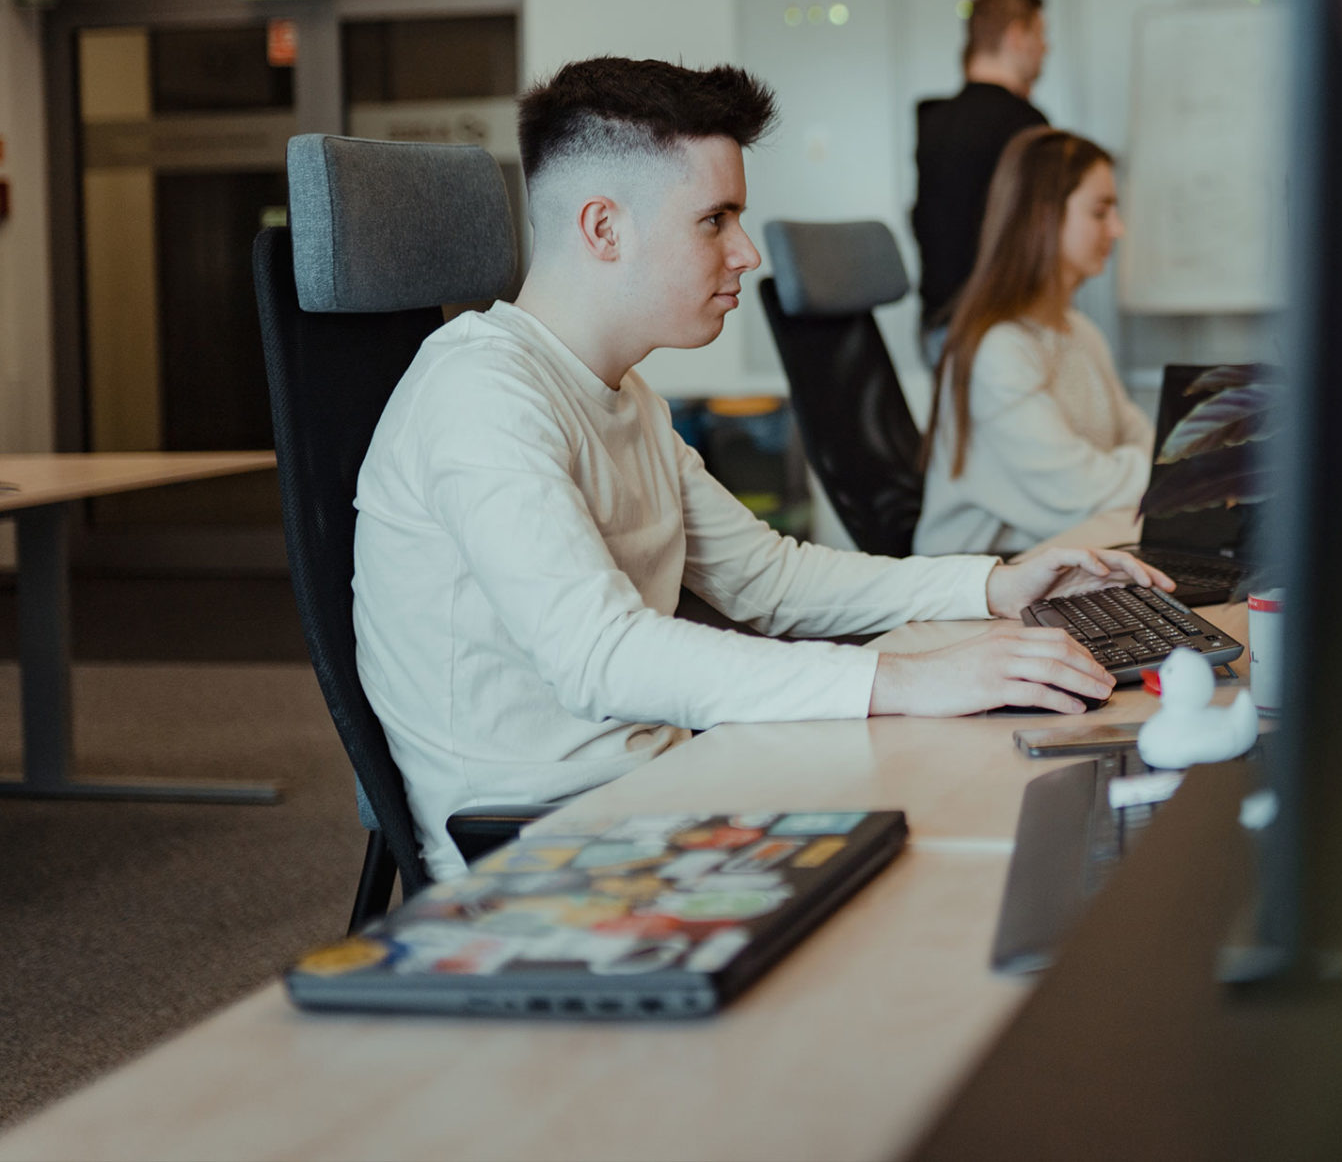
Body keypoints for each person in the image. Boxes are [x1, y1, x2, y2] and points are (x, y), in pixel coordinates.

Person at [353, 57, 1160, 876]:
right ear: (603, 228)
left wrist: (994, 585)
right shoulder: (480, 394)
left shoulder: (625, 395)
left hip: (670, 789)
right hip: (542, 851)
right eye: (715, 220)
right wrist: (910, 679)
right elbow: (603, 656)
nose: (746, 252)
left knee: (1013, 791)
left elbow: (768, 581)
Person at [915, 127, 1153, 556]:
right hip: (981, 585)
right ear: (1044, 216)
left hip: (1052, 556)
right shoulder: (998, 349)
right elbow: (1077, 490)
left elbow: (1140, 439)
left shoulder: (1080, 332)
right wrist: (1175, 475)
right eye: (1100, 213)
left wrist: (1173, 470)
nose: (1117, 229)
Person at [913, 0, 1050, 357]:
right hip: (998, 329)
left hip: (938, 327)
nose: (1046, 49)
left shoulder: (932, 119)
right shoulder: (1027, 125)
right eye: (1041, 35)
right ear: (1016, 37)